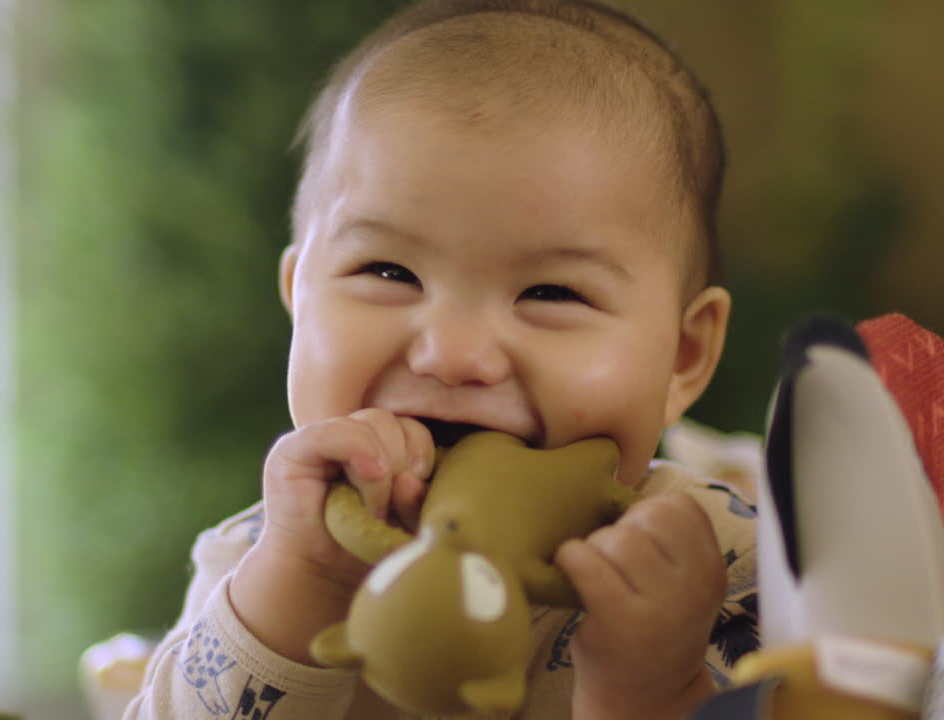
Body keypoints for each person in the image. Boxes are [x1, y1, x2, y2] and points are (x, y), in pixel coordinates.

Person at [125, 1, 757, 718]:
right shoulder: (263, 552)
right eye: (389, 273)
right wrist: (297, 591)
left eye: (550, 292)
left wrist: (655, 689)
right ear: (301, 300)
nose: (453, 356)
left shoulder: (722, 569)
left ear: (682, 355)